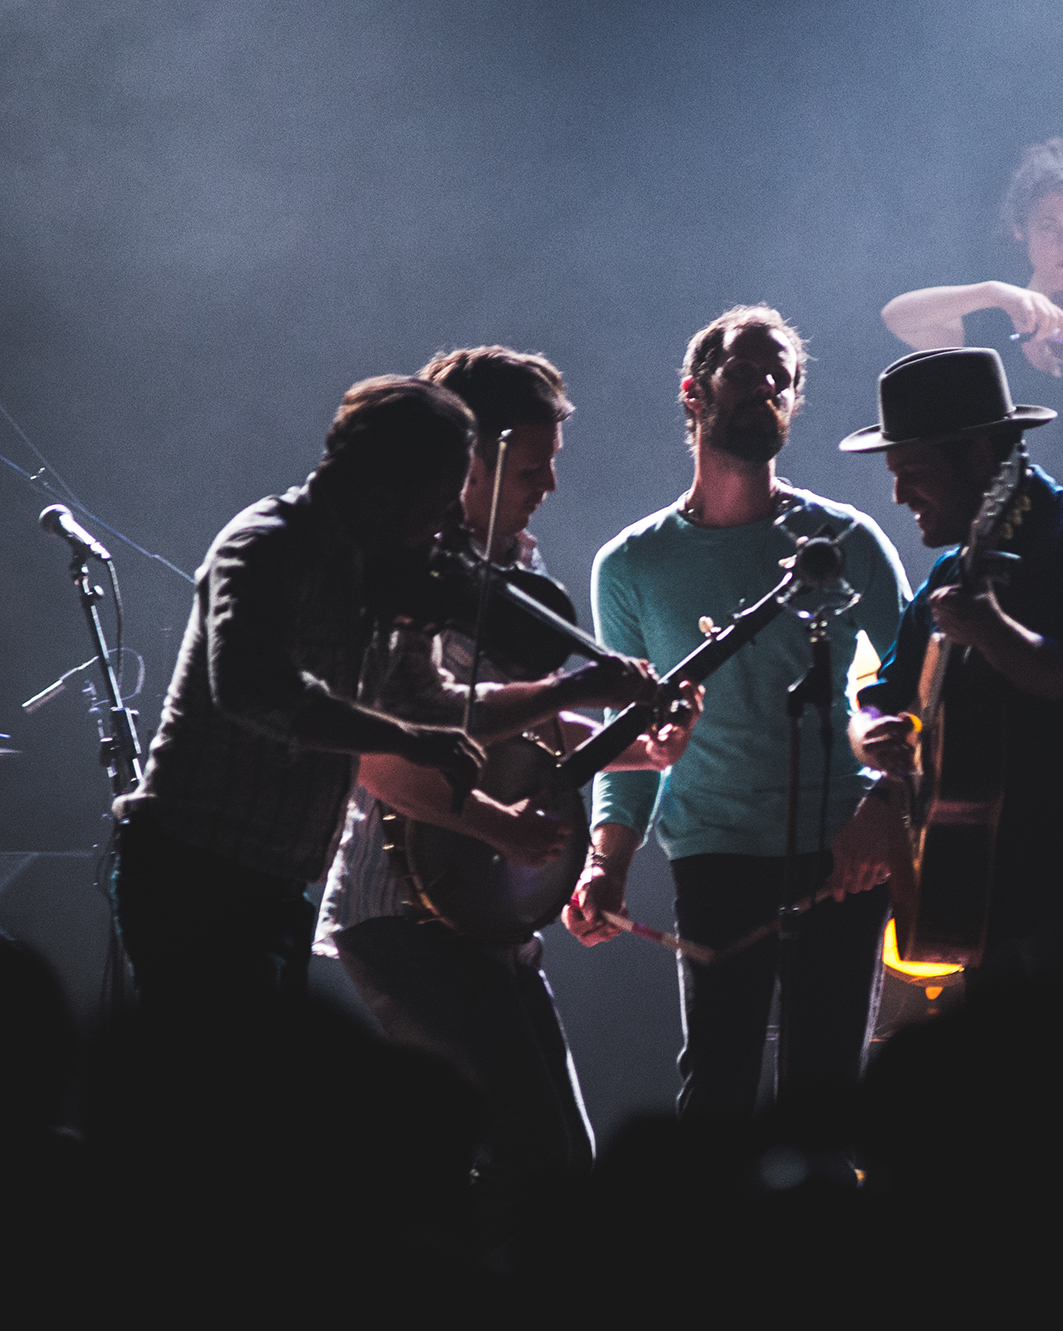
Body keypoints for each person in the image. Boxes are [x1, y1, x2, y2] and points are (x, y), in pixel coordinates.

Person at [111, 376, 656, 1017]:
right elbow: (255, 689)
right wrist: (403, 739)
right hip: (194, 872)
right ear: (384, 484)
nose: (448, 524)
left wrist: (572, 687)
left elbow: (435, 704)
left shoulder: (390, 578)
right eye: (438, 500)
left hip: (276, 882)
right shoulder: (266, 544)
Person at [312, 348, 697, 1252]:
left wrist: (644, 749)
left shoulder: (511, 568)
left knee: (562, 1162)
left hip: (481, 916)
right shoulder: (404, 565)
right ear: (470, 458)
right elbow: (381, 751)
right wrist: (499, 820)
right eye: (532, 467)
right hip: (403, 909)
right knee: (522, 1161)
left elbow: (523, 729)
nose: (552, 485)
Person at [565, 306, 909, 1118]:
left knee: (825, 1091)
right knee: (716, 1083)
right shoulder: (630, 563)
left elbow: (923, 686)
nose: (767, 387)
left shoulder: (846, 539)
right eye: (745, 372)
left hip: (840, 850)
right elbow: (634, 742)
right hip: (713, 850)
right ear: (692, 392)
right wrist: (606, 862)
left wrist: (884, 808)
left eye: (781, 377)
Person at [828, 347, 1063, 1016]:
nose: (899, 494)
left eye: (915, 472)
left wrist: (988, 625)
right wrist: (871, 736)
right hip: (990, 891)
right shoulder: (950, 574)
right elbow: (881, 696)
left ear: (984, 455)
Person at [881, 137, 1063, 490]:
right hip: (1003, 511)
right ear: (1019, 229)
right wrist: (993, 292)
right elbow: (897, 317)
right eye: (1048, 226)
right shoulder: (989, 325)